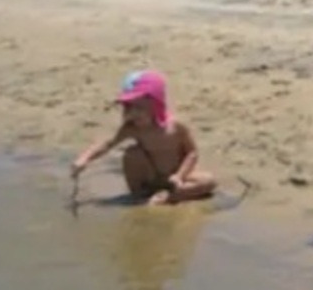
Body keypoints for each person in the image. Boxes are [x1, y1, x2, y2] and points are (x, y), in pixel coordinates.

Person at [71, 69, 216, 206]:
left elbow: (192, 153)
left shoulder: (176, 127)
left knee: (208, 181)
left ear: (156, 104)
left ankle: (170, 196)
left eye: (139, 108)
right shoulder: (132, 128)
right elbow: (107, 143)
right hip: (151, 176)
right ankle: (139, 196)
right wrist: (84, 159)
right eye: (129, 108)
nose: (134, 114)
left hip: (176, 178)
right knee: (132, 153)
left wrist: (179, 176)